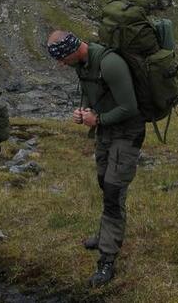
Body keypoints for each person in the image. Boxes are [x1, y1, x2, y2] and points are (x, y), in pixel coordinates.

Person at [47, 30, 145, 287]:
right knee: (105, 182)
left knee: (113, 190)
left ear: (71, 50)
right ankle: (106, 233)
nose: (60, 64)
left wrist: (98, 119)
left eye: (61, 59)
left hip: (128, 132)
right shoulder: (81, 65)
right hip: (105, 132)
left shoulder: (110, 63)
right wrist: (86, 114)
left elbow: (130, 107)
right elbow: (99, 98)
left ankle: (107, 259)